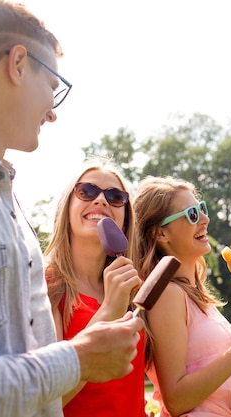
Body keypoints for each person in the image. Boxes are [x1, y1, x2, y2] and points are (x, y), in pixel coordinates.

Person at [0, 2, 143, 416]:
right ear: (19, 64)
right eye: (53, 85)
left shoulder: (4, 195)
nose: (53, 112)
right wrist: (75, 359)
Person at [132, 175, 231, 417]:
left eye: (201, 209)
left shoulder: (195, 297)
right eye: (192, 214)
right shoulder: (167, 295)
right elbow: (176, 400)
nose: (205, 219)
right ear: (160, 234)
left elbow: (229, 378)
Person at [44, 158, 150, 417]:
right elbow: (47, 403)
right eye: (87, 191)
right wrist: (108, 312)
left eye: (115, 197)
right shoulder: (46, 284)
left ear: (125, 221)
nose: (101, 200)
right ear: (67, 207)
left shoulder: (131, 290)